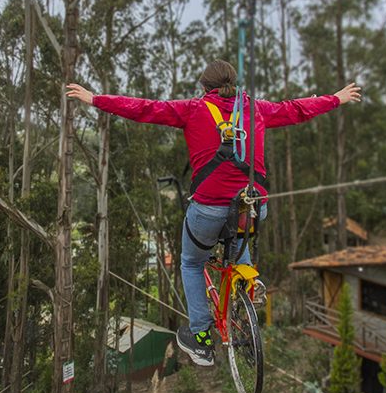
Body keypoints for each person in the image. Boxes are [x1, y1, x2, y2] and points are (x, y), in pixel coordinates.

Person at [67, 60, 361, 367]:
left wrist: (96, 99)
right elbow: (296, 109)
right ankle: (246, 281)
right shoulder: (255, 109)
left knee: (192, 262)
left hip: (210, 208)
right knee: (239, 240)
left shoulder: (193, 109)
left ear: (205, 88)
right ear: (232, 84)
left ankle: (202, 340)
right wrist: (336, 98)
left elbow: (144, 108)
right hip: (254, 206)